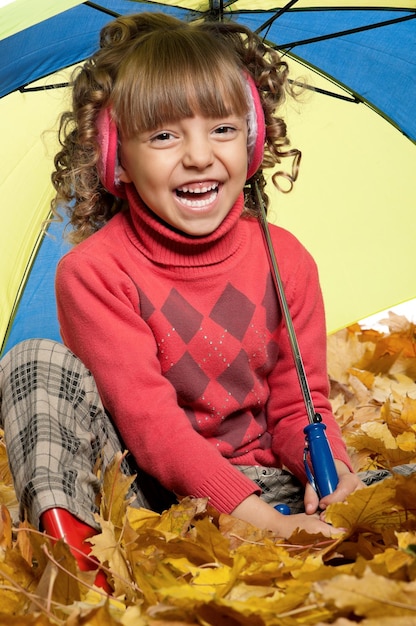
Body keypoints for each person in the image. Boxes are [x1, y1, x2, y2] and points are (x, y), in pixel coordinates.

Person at [0, 12, 363, 588]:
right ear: (116, 155)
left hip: (268, 484)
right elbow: (152, 427)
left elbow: (299, 407)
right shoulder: (94, 272)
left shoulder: (284, 258)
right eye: (165, 135)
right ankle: (80, 565)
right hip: (148, 498)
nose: (198, 156)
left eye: (222, 129)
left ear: (252, 139)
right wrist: (261, 524)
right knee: (32, 361)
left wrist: (330, 471)